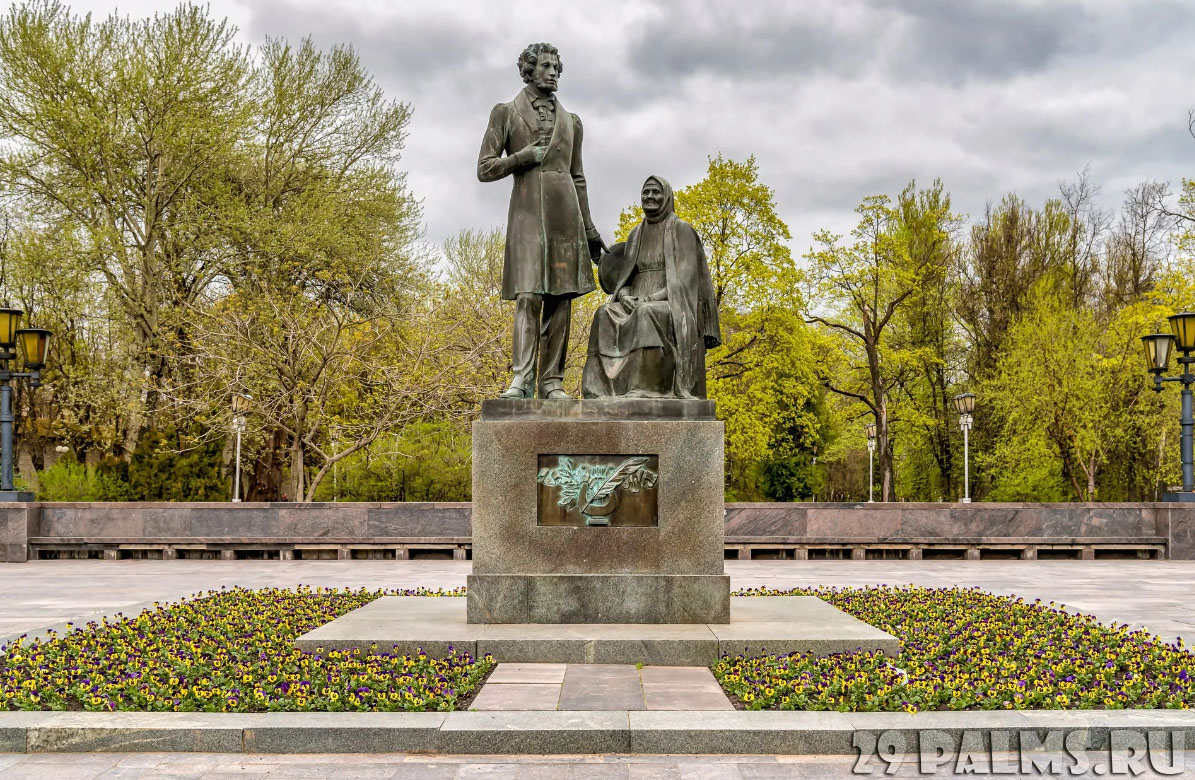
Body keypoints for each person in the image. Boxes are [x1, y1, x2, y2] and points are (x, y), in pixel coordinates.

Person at [477, 42, 605, 400]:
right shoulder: (505, 113)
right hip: (528, 216)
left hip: (567, 220)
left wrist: (590, 229)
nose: (553, 73)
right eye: (546, 67)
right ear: (529, 70)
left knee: (561, 299)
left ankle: (552, 382)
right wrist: (521, 157)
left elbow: (578, 176)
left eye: (557, 68)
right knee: (528, 296)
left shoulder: (572, 121)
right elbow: (484, 168)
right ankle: (522, 379)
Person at [582, 175, 720, 399]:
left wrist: (650, 298)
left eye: (655, 192)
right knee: (603, 313)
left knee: (645, 313)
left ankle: (645, 388)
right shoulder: (636, 233)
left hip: (674, 304)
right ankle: (599, 391)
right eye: (645, 192)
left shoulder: (681, 230)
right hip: (635, 301)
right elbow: (626, 278)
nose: (649, 197)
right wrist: (625, 296)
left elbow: (685, 280)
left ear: (666, 196)